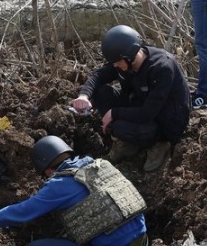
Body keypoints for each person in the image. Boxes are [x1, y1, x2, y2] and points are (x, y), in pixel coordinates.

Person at [0, 135, 148, 246]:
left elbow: (23, 211)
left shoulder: (60, 184)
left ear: (47, 170)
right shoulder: (100, 165)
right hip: (143, 243)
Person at [70, 24, 190, 174]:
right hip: (142, 104)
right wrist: (83, 95)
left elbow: (147, 113)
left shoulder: (161, 68)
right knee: (102, 92)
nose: (114, 65)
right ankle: (128, 142)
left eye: (117, 61)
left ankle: (159, 144)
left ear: (130, 55)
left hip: (166, 118)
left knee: (119, 126)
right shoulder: (124, 61)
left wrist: (114, 113)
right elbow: (99, 76)